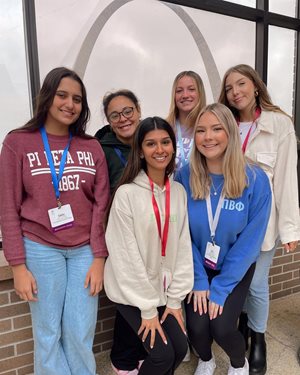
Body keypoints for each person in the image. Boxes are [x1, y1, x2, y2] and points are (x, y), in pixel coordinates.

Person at [0, 67, 110, 375]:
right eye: (62, 95)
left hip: (85, 252)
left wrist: (99, 257)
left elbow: (101, 206)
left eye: (77, 98)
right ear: (47, 96)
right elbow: (7, 207)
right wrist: (18, 266)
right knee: (48, 334)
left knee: (80, 331)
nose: (70, 104)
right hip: (39, 248)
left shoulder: (92, 147)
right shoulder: (18, 143)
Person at [176, 103, 272, 375]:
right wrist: (198, 279)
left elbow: (250, 243)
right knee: (196, 327)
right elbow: (182, 234)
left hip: (235, 265)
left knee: (222, 326)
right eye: (201, 130)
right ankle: (206, 360)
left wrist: (220, 287)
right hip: (198, 264)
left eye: (217, 129)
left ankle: (238, 363)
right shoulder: (184, 176)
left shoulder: (255, 178)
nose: (208, 137)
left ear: (230, 132)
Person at [219, 64, 300, 375]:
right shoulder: (224, 124)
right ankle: (241, 324)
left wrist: (289, 228)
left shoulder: (279, 125)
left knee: (255, 283)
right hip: (228, 222)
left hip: (262, 225)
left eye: (241, 84)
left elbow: (285, 180)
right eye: (229, 88)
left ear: (255, 87)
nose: (235, 91)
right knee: (237, 277)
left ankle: (259, 339)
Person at [104, 117, 194, 375]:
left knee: (178, 349)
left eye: (165, 142)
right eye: (151, 144)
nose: (160, 149)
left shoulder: (177, 192)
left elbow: (182, 247)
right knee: (162, 355)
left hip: (163, 290)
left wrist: (175, 299)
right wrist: (147, 308)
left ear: (173, 147)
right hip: (131, 290)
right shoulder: (127, 194)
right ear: (140, 151)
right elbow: (125, 256)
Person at [95, 90, 147, 374]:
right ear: (109, 120)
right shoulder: (101, 149)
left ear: (138, 109)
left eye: (128, 111)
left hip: (152, 233)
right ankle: (123, 360)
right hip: (121, 233)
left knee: (147, 296)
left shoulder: (152, 138)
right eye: (115, 115)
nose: (123, 119)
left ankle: (142, 353)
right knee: (128, 297)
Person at [166, 70, 206, 169]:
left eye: (191, 89)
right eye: (179, 91)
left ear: (200, 93)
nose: (185, 95)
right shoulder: (165, 128)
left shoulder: (210, 127)